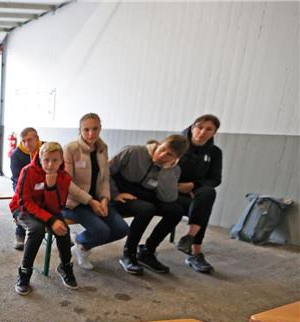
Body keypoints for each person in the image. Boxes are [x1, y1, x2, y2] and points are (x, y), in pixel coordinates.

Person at [109, 135, 189, 275]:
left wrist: (166, 171)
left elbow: (168, 198)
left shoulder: (173, 170)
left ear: (176, 158)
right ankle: (129, 253)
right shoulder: (133, 151)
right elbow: (105, 172)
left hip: (145, 196)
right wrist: (115, 194)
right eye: (162, 149)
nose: (163, 155)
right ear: (159, 144)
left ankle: (147, 251)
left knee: (175, 210)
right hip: (120, 194)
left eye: (169, 154)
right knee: (146, 209)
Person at [63, 113, 129, 270]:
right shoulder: (70, 148)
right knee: (102, 231)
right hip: (73, 203)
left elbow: (105, 178)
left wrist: (105, 199)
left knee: (122, 229)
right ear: (79, 130)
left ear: (101, 128)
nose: (91, 134)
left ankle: (80, 244)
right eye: (86, 130)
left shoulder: (102, 148)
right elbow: (67, 184)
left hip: (96, 201)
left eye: (95, 129)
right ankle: (82, 244)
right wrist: (91, 201)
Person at [9, 142, 77, 294]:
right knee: (37, 229)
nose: (50, 164)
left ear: (61, 161)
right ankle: (25, 273)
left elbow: (56, 207)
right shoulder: (28, 171)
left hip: (48, 209)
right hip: (23, 208)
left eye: (55, 160)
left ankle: (66, 267)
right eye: (46, 160)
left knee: (64, 230)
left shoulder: (64, 177)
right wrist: (51, 220)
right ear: (40, 158)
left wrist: (51, 187)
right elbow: (24, 202)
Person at [174, 114, 223, 274]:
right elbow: (161, 167)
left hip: (195, 191)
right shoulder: (176, 144)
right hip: (172, 190)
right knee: (202, 206)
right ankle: (195, 251)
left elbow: (215, 179)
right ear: (192, 127)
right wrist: (176, 186)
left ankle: (191, 243)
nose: (203, 132)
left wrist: (193, 185)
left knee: (207, 195)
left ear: (214, 133)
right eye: (200, 127)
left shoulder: (215, 152)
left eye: (209, 129)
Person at [9, 127, 40, 250]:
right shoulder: (16, 155)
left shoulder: (45, 149)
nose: (27, 144)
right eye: (24, 141)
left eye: (30, 140)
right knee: (22, 203)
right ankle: (20, 233)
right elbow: (17, 178)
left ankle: (60, 230)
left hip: (41, 183)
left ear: (37, 139)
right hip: (21, 184)